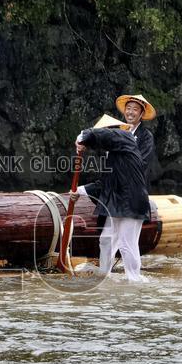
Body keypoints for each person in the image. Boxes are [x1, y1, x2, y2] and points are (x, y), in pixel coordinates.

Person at [72, 113, 150, 282]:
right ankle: (104, 274)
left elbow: (98, 135)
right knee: (106, 239)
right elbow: (105, 184)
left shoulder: (124, 137)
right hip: (117, 202)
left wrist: (82, 138)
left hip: (131, 202)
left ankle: (135, 280)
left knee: (126, 243)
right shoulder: (115, 153)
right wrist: (78, 191)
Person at [115, 94, 156, 184]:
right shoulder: (118, 132)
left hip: (136, 187)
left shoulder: (146, 137)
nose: (130, 112)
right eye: (128, 108)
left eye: (135, 109)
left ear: (141, 114)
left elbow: (141, 164)